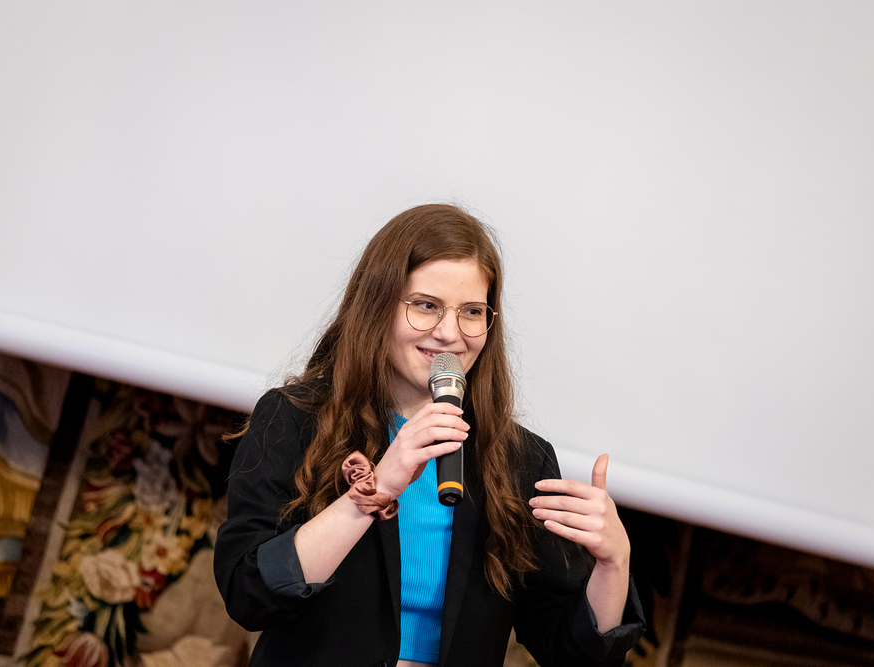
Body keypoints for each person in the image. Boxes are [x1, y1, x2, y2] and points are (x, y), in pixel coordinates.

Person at [214, 204, 645, 667]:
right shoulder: (293, 419)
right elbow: (248, 594)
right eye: (426, 306)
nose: (449, 334)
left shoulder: (520, 460)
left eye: (471, 312)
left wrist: (614, 561)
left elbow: (573, 654)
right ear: (377, 304)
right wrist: (378, 487)